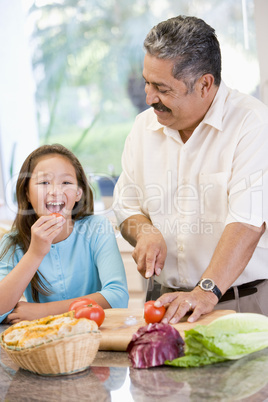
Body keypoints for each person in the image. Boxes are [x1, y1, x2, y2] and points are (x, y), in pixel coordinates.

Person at [113, 15, 268, 324]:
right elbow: (125, 206)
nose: (149, 97)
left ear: (204, 84)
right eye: (147, 82)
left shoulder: (253, 124)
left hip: (238, 304)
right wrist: (146, 232)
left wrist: (205, 291)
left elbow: (247, 222)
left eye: (162, 88)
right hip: (162, 304)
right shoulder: (143, 128)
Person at [0, 144, 129, 324]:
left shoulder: (97, 229)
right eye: (44, 183)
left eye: (66, 183)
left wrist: (44, 312)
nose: (55, 191)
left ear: (78, 193)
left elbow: (117, 297)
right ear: (27, 193)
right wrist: (35, 253)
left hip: (94, 336)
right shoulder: (12, 242)